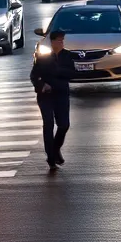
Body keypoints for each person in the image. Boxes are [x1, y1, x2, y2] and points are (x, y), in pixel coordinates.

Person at [30, 29, 75, 170]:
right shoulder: (43, 57)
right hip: (46, 96)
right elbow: (34, 75)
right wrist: (41, 85)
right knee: (48, 124)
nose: (61, 42)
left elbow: (71, 73)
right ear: (52, 42)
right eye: (59, 40)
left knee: (64, 125)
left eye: (63, 40)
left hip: (61, 94)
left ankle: (56, 149)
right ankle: (50, 156)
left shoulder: (67, 56)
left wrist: (57, 71)